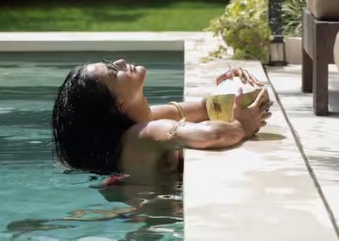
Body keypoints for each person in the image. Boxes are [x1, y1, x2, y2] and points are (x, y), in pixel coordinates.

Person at [51, 60, 272, 184]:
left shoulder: (146, 117)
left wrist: (228, 87)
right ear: (119, 105)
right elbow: (210, 135)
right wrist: (241, 126)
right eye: (113, 72)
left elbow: (204, 109)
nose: (120, 62)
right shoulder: (145, 133)